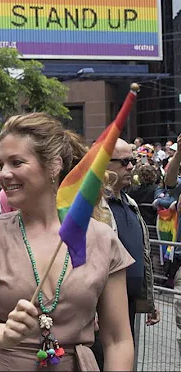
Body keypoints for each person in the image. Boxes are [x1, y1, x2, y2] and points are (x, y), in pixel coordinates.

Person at [0, 112, 135, 371]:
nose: (3, 174)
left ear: (54, 165)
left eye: (17, 162)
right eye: (1, 163)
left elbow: (118, 340)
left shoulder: (102, 239)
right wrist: (3, 334)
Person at [99, 139, 159, 339]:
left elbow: (143, 254)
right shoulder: (93, 207)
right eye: (124, 162)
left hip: (129, 304)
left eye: (132, 160)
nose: (131, 166)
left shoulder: (130, 202)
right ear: (104, 164)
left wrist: (148, 301)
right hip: (101, 308)